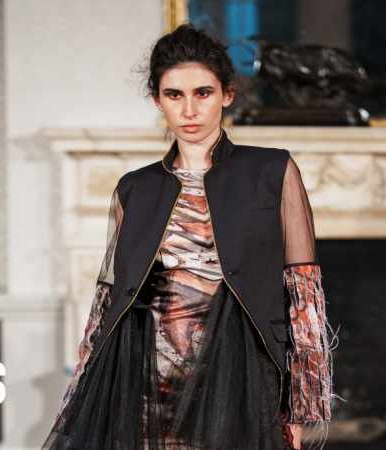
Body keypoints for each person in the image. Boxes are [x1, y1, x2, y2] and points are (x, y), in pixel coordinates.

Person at [42, 23, 338, 450]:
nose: (189, 110)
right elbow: (109, 300)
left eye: (203, 93)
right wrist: (80, 398)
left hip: (239, 379)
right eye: (174, 95)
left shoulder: (271, 172)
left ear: (228, 94)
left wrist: (302, 404)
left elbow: (303, 292)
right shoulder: (135, 188)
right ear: (157, 100)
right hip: (146, 379)